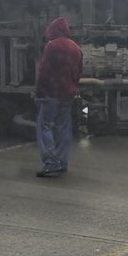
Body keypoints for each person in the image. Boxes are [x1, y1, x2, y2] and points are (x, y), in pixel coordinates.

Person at [34, 17, 83, 178]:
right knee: (63, 128)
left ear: (53, 30)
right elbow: (79, 72)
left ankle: (51, 162)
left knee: (44, 126)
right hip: (68, 94)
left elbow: (44, 71)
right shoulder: (75, 47)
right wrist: (73, 87)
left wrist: (39, 90)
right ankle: (62, 162)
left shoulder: (52, 46)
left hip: (52, 93)